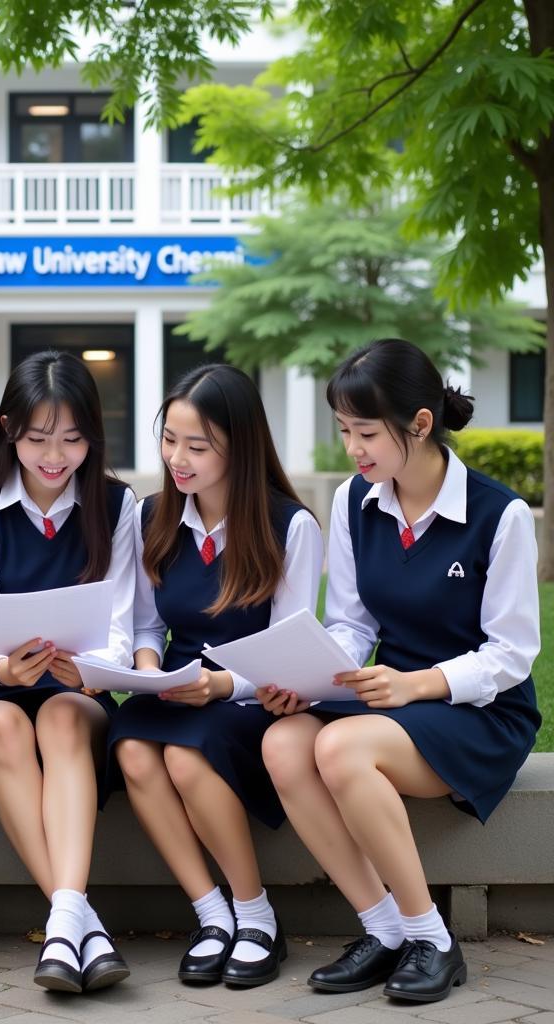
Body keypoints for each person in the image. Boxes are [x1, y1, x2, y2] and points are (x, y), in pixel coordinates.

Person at [259, 338, 541, 1003]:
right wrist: (310, 677)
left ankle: (432, 940)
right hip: (392, 702)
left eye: (365, 432)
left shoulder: (498, 516)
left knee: (338, 746)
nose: (352, 448)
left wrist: (417, 684)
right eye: (343, 430)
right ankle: (384, 929)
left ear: (419, 424)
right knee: (282, 741)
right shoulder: (356, 504)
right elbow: (353, 626)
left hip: (479, 711)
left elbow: (512, 654)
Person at [110, 363, 322, 987]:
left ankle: (256, 915)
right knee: (132, 750)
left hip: (251, 696)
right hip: (175, 683)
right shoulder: (151, 516)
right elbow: (148, 626)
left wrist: (224, 685)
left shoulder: (291, 526)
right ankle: (211, 912)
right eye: (169, 440)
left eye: (197, 446)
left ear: (240, 447)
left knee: (182, 756)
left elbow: (293, 652)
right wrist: (147, 670)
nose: (178, 458)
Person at [0, 350, 134, 993]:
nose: (54, 456)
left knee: (59, 716)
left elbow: (123, 621)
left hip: (74, 691)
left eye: (73, 439)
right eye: (37, 439)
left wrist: (89, 668)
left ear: (94, 434)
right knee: (4, 724)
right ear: (9, 431)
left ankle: (64, 925)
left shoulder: (116, 505)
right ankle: (77, 917)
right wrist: (0, 665)